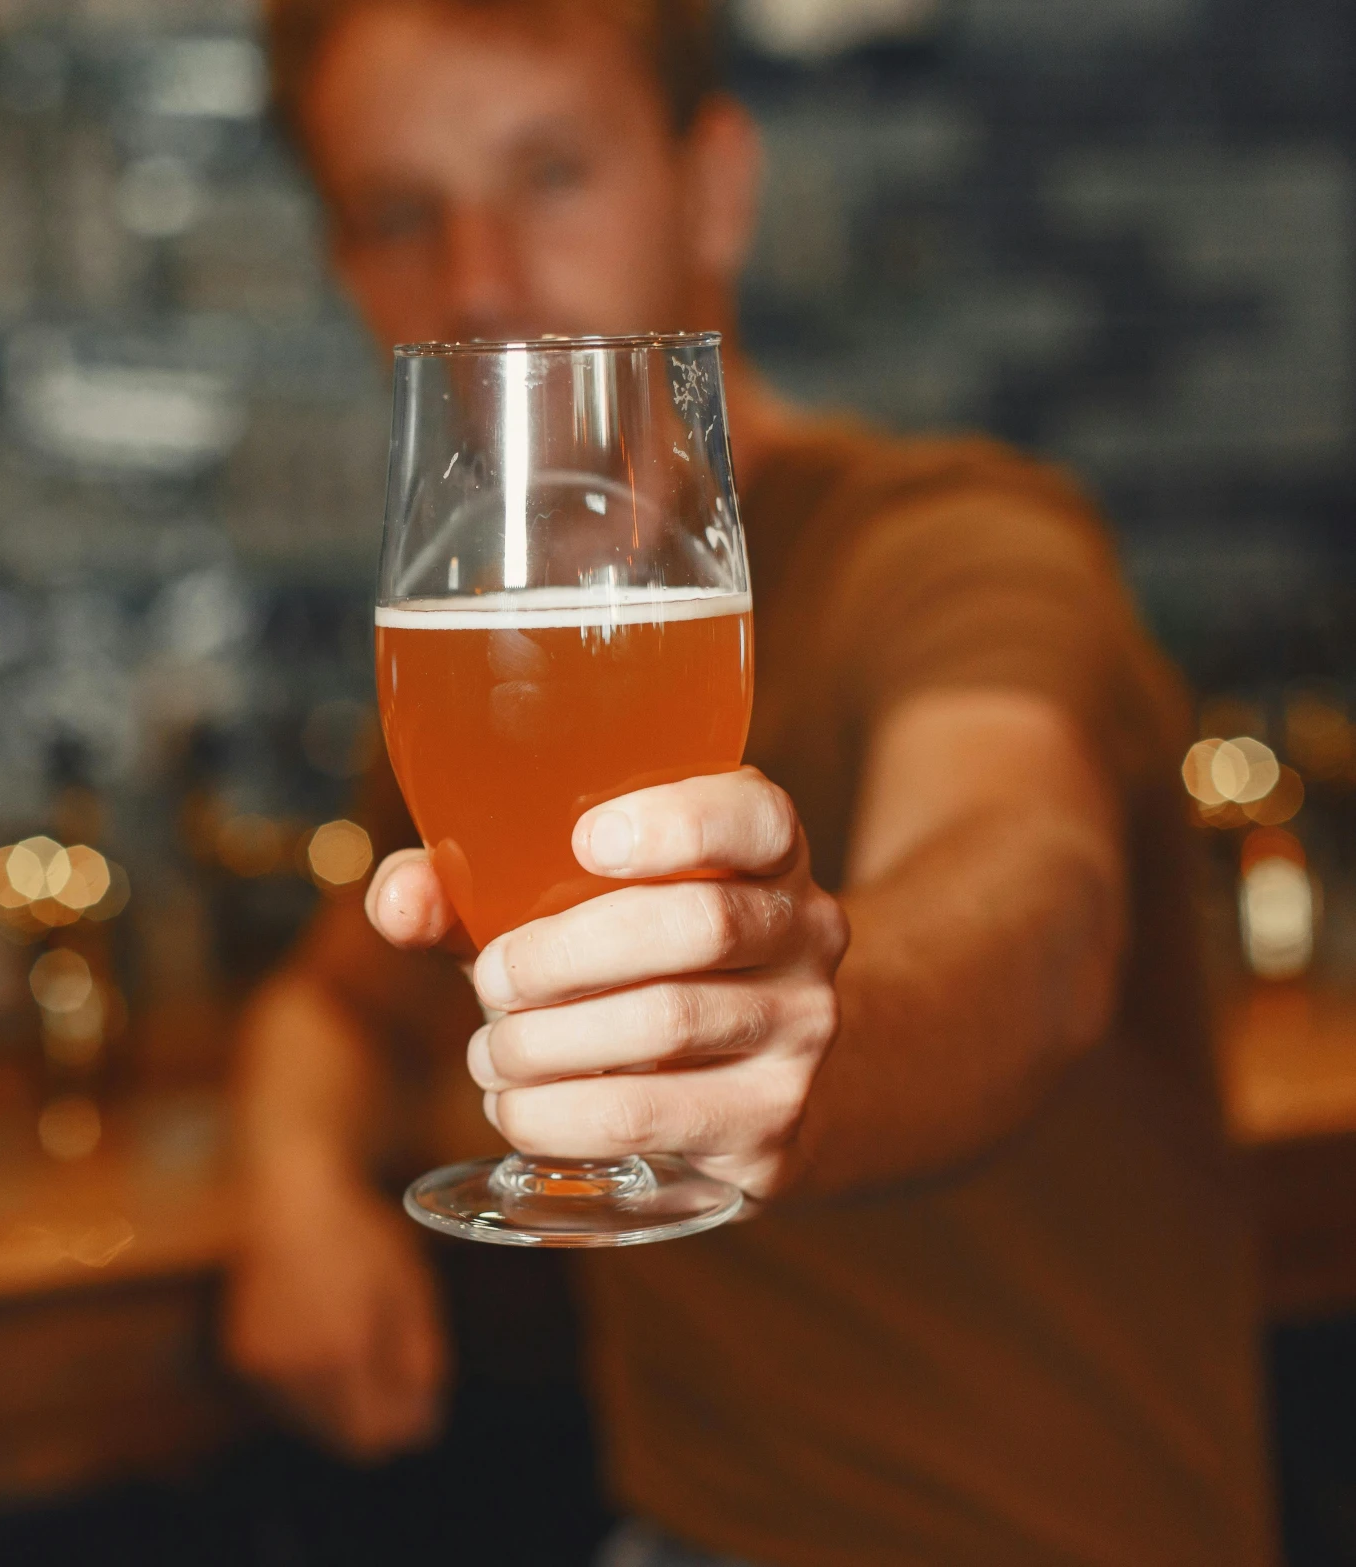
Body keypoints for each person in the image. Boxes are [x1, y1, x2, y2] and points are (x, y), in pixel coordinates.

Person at [222, 2, 1279, 1563]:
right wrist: (292, 1184)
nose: (480, 279)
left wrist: (807, 1024)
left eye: (548, 173)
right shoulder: (492, 669)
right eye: (399, 213)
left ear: (713, 185)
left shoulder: (956, 545)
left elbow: (1028, 911)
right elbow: (337, 997)